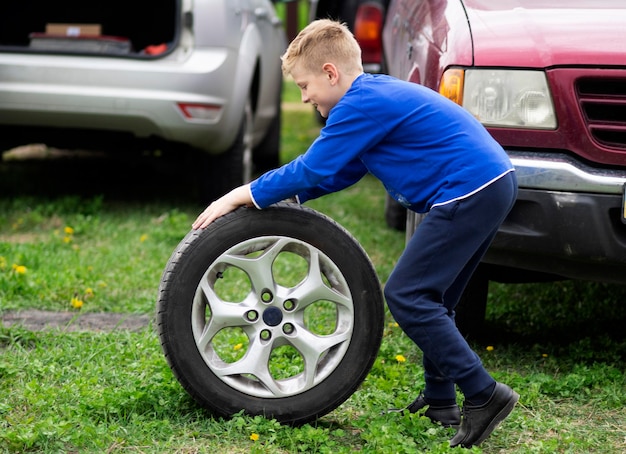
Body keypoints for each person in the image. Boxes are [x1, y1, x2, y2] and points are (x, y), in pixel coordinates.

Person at [192, 19, 519, 448]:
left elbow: (314, 166)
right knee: (436, 299)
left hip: (468, 190)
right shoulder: (370, 98)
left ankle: (484, 394)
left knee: (408, 295)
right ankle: (441, 401)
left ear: (331, 73)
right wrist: (290, 200)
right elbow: (340, 171)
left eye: (305, 85)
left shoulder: (358, 105)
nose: (305, 97)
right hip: (491, 183)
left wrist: (244, 193)